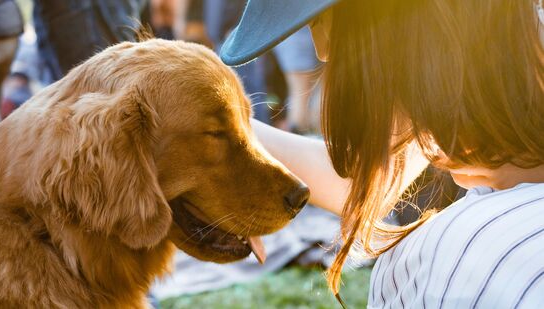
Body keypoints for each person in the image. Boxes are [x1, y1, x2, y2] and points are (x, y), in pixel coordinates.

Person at [219, 0, 544, 307]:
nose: (322, 50)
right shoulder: (455, 70)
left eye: (318, 20)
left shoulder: (453, 256)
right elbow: (362, 183)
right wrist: (220, 123)